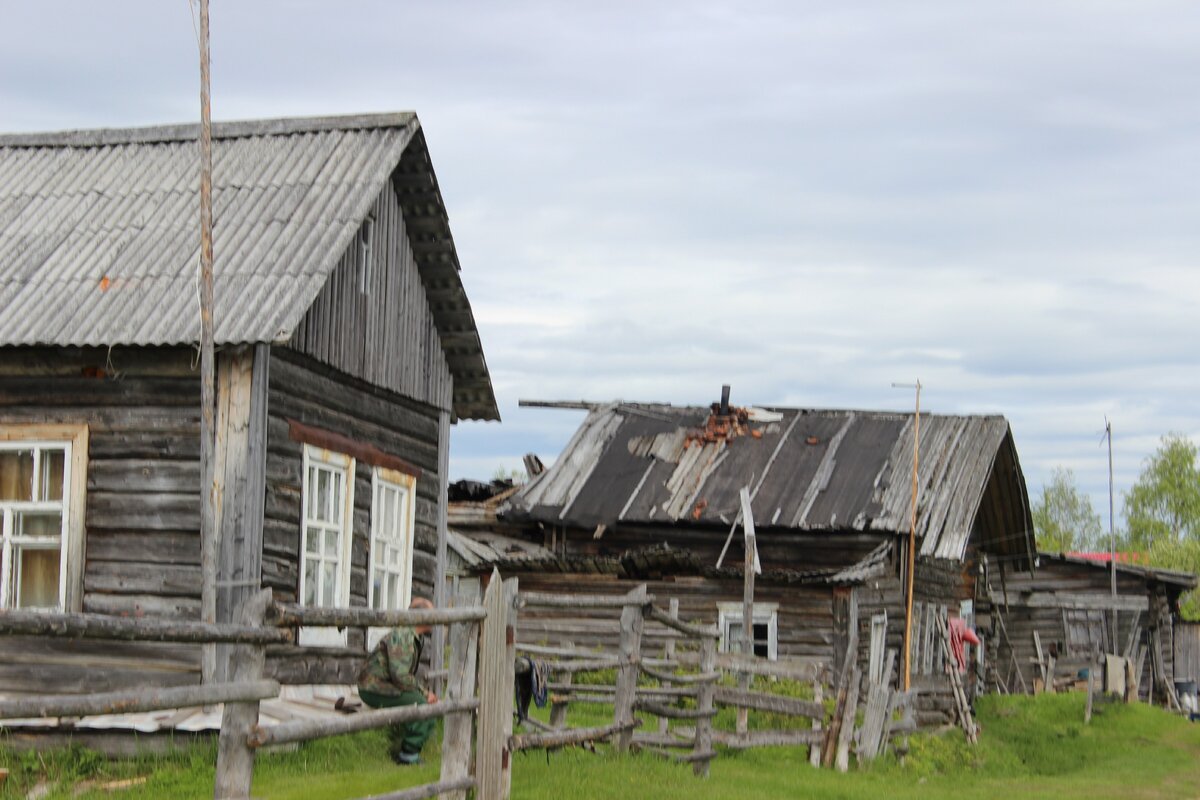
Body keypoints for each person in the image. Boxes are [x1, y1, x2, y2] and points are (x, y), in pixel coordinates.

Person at [356, 597, 439, 765]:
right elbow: (400, 676)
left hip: (386, 686)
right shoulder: (403, 636)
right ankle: (408, 755)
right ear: (422, 617)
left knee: (428, 705)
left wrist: (422, 692)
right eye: (433, 614)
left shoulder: (413, 635)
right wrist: (424, 692)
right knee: (423, 708)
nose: (437, 618)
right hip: (374, 688)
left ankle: (409, 746)